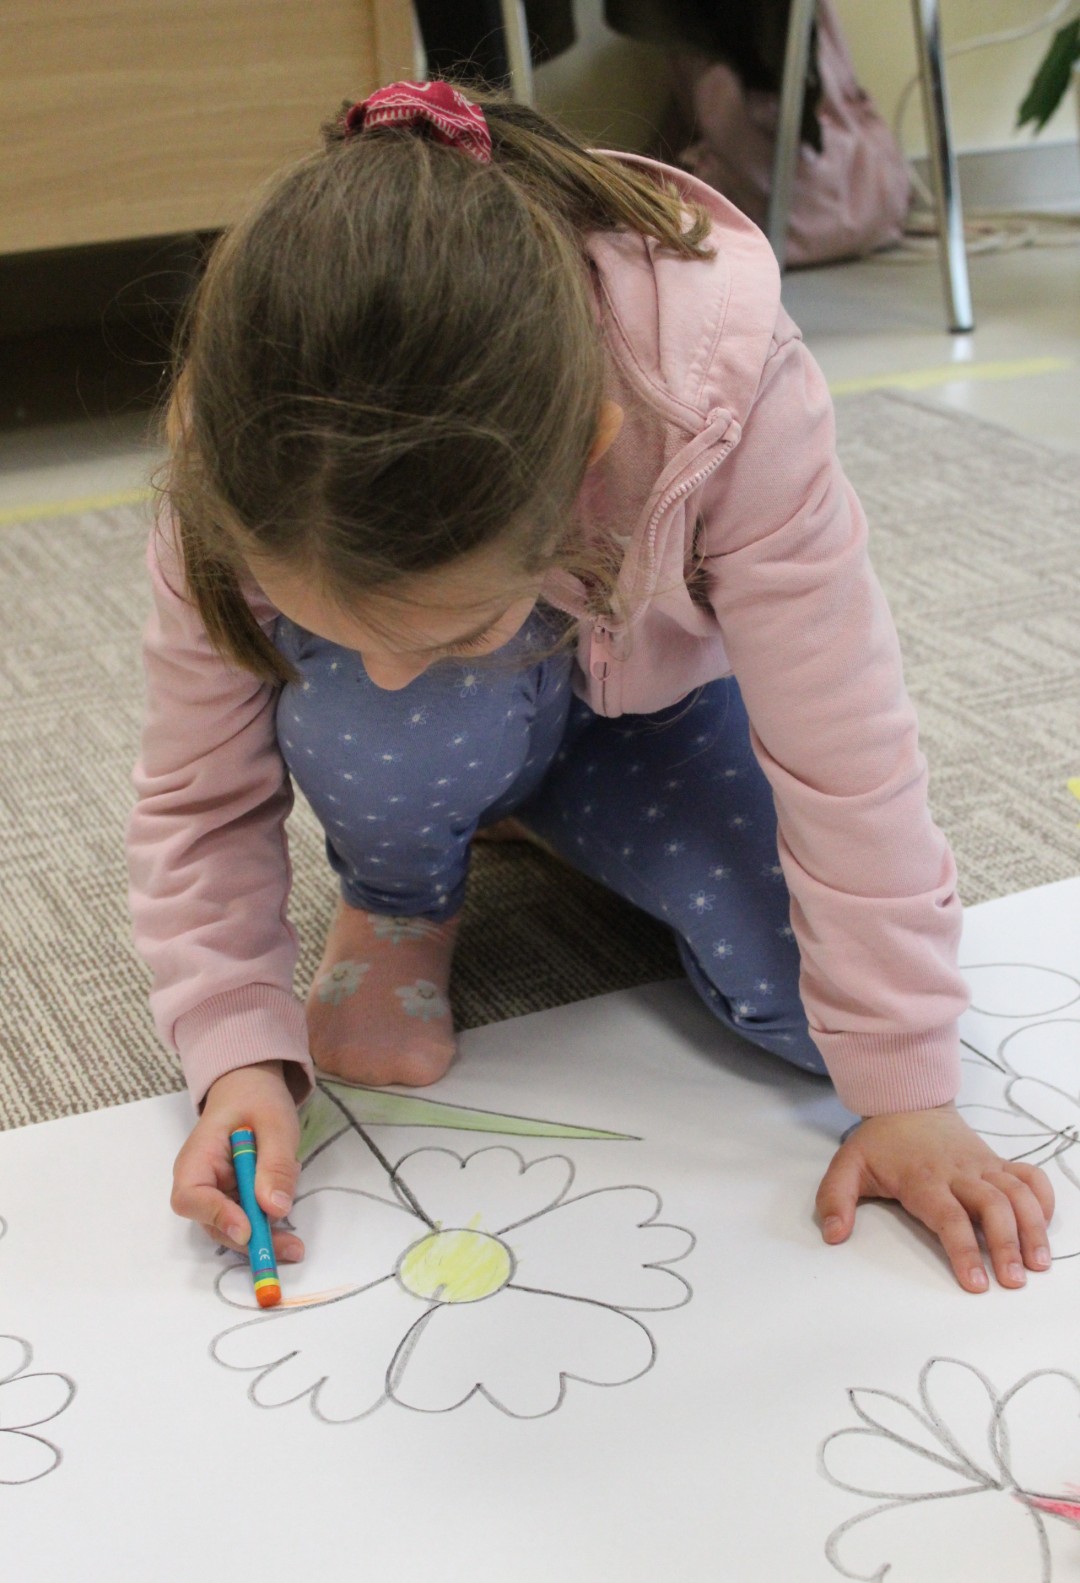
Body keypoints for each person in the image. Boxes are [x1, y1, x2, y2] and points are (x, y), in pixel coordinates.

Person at [128, 80, 1053, 1295]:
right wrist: (237, 1054)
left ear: (590, 454)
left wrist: (907, 1090)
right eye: (332, 630)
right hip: (441, 750)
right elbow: (196, 791)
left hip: (653, 707)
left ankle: (537, 807)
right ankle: (402, 898)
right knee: (388, 713)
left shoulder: (724, 389)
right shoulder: (242, 461)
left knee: (823, 1019)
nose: (387, 672)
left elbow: (845, 743)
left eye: (453, 627)